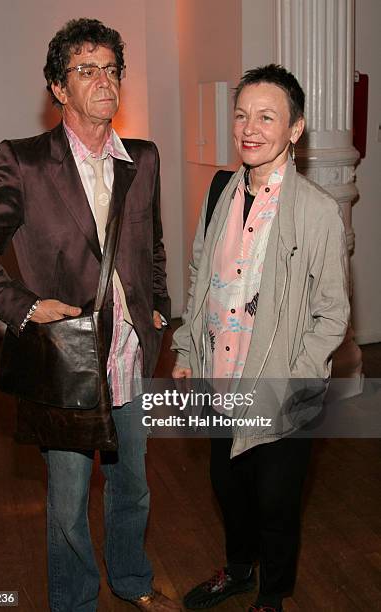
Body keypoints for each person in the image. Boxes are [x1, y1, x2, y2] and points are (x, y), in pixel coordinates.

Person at [0, 18, 180, 612]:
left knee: (133, 486)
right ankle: (74, 602)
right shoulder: (24, 162)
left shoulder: (144, 157)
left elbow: (151, 243)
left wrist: (155, 306)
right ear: (59, 88)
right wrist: (23, 307)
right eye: (86, 70)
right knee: (67, 501)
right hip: (68, 361)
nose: (103, 80)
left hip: (131, 354)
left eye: (111, 69)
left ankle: (131, 580)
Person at [172, 65, 350, 611]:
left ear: (294, 129)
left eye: (267, 117)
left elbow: (332, 315)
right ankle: (240, 571)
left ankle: (271, 597)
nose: (250, 128)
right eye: (243, 114)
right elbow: (201, 275)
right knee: (230, 491)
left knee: (276, 503)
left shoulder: (318, 211)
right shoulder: (221, 189)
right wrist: (185, 349)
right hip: (220, 381)